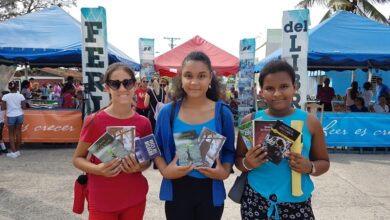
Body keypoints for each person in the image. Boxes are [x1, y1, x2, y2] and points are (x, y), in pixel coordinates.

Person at [235, 60, 330, 220]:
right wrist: (247, 163)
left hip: (297, 202)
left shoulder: (311, 123)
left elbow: (324, 162)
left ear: (295, 87)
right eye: (270, 88)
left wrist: (310, 167)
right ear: (261, 91)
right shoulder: (249, 121)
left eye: (284, 86)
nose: (277, 94)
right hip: (256, 200)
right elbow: (238, 160)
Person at [154, 51, 236, 220]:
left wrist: (225, 171)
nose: (194, 82)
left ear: (210, 78)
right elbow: (157, 148)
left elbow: (229, 151)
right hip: (177, 189)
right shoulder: (167, 112)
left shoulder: (222, 113)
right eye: (188, 75)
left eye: (201, 76)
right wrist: (165, 170)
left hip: (210, 190)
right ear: (180, 78)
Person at [72, 63, 153, 220]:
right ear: (106, 88)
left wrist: (138, 167)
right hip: (101, 200)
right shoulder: (93, 121)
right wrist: (98, 169)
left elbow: (148, 161)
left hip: (134, 198)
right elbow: (77, 159)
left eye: (127, 83)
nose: (122, 89)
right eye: (115, 84)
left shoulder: (144, 123)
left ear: (135, 86)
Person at [2, 82, 26, 159]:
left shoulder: (5, 96)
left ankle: (13, 152)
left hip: (11, 116)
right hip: (19, 115)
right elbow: (24, 107)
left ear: (9, 88)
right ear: (17, 87)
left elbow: (3, 108)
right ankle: (17, 151)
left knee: (11, 134)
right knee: (18, 132)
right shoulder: (21, 95)